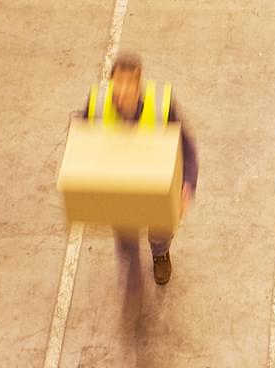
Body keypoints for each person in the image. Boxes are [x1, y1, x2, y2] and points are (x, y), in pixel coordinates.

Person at [80, 52, 199, 289]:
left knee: (161, 227)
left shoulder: (160, 106)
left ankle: (160, 253)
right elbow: (80, 141)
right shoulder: (97, 104)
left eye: (129, 84)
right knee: (124, 230)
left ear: (139, 85)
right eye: (118, 83)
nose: (122, 91)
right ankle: (131, 270)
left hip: (157, 182)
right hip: (118, 181)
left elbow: (187, 146)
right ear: (111, 82)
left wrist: (187, 184)